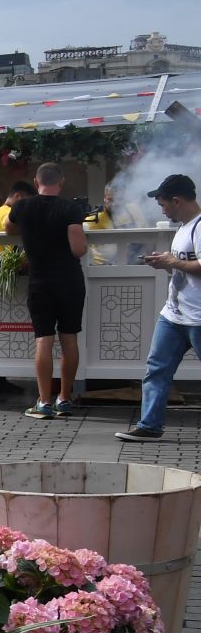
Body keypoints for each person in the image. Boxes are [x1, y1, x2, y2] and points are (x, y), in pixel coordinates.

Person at [118, 175, 201, 442]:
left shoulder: (199, 227)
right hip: (174, 314)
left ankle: (149, 425)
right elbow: (184, 264)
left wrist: (172, 262)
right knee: (156, 368)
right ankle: (150, 425)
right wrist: (166, 263)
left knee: (158, 369)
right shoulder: (183, 228)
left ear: (176, 201)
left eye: (164, 204)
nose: (162, 210)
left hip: (198, 317)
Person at [7, 162, 89, 419]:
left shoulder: (22, 207)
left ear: (35, 181)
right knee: (69, 338)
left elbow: (8, 229)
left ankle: (43, 402)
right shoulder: (70, 208)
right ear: (61, 182)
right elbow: (78, 249)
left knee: (43, 339)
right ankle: (64, 398)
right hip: (69, 281)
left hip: (40, 282)